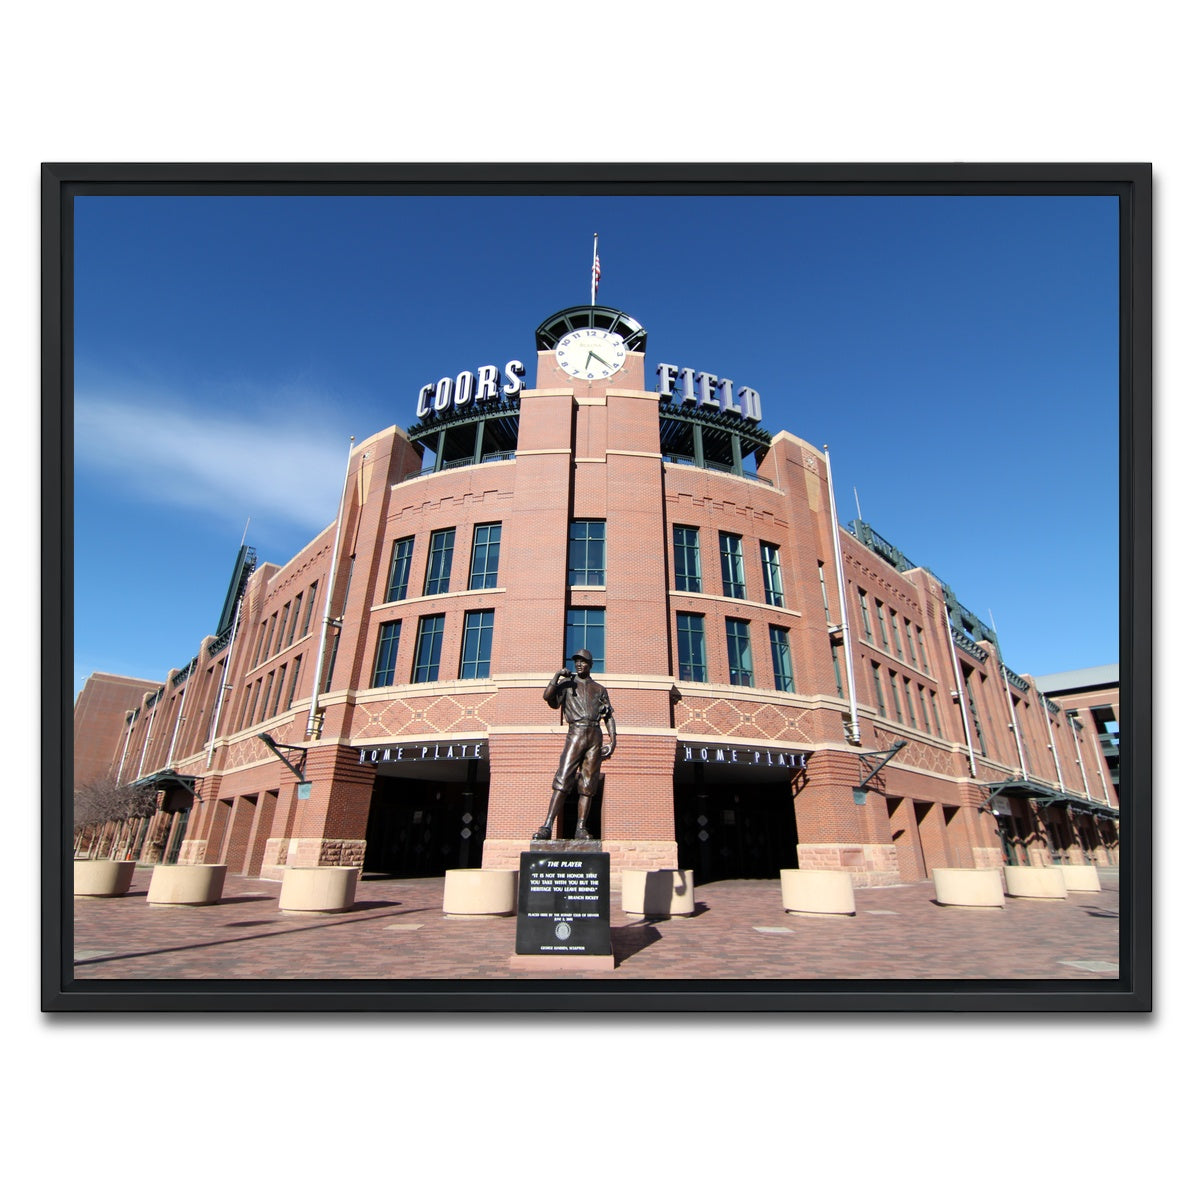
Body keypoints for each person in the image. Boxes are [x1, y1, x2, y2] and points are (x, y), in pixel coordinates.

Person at [533, 649, 616, 840]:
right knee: (563, 779)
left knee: (588, 784)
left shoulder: (599, 689)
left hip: (594, 735)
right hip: (576, 733)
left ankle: (581, 828)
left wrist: (613, 740)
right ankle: (547, 826)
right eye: (577, 661)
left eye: (583, 661)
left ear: (590, 665)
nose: (579, 664)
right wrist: (557, 676)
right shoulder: (567, 684)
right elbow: (548, 697)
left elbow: (609, 716)